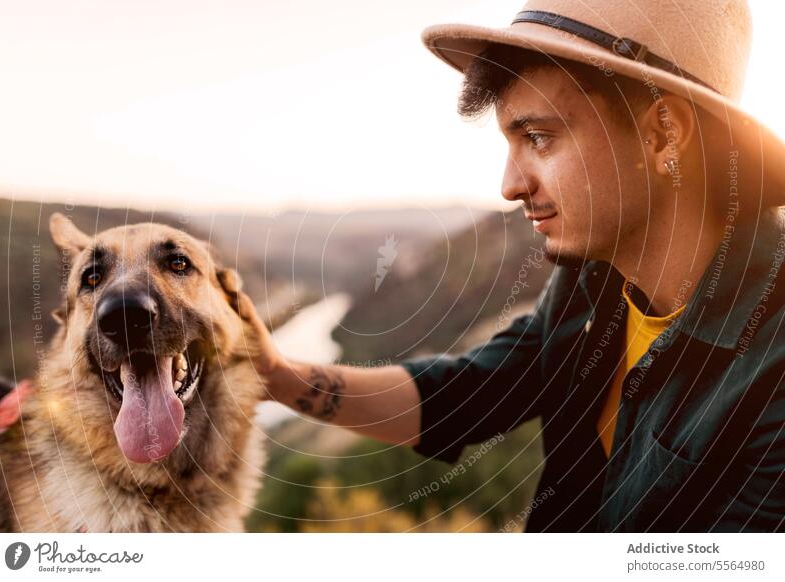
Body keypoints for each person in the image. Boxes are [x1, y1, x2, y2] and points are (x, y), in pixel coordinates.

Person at [255, 0, 785, 532]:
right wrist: (277, 376)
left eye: (538, 138)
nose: (510, 186)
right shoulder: (594, 276)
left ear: (663, 134)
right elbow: (476, 393)